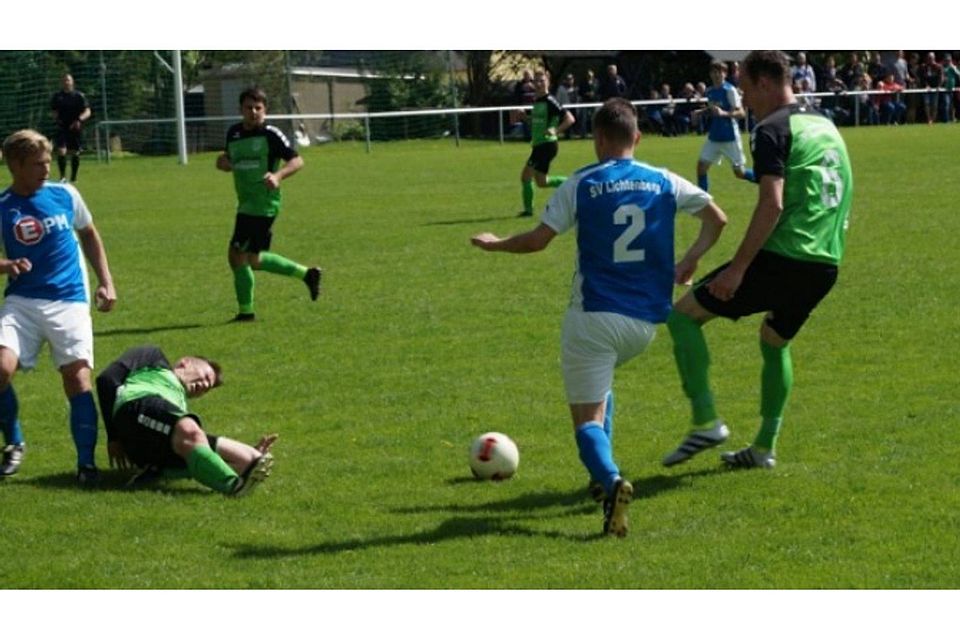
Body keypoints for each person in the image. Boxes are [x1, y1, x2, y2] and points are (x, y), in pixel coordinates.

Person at [472, 98, 728, 537]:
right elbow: (717, 219)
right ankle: (599, 477)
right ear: (638, 137)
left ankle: (610, 482)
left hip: (594, 318)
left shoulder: (582, 182)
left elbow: (538, 241)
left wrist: (495, 244)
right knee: (602, 386)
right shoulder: (664, 180)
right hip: (646, 324)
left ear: (597, 139)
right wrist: (690, 261)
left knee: (586, 420)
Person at [663, 50, 853, 470]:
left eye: (746, 88)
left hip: (786, 256)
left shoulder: (771, 128)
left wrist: (738, 269)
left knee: (682, 316)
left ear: (765, 83)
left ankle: (706, 421)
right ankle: (764, 447)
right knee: (774, 340)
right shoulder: (824, 123)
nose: (743, 98)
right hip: (826, 261)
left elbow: (772, 203)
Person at [0, 129, 116, 484]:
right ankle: (14, 443)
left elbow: (89, 234)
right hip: (22, 302)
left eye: (48, 161)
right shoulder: (2, 206)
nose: (46, 169)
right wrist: (6, 266)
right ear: (15, 165)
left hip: (69, 299)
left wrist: (106, 281)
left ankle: (86, 465)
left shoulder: (66, 194)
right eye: (38, 164)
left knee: (78, 377)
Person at [95, 345, 274, 495]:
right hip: (138, 406)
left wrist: (254, 461)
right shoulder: (153, 356)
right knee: (191, 431)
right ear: (185, 362)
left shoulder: (178, 405)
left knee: (251, 459)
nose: (204, 385)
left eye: (207, 388)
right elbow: (106, 379)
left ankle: (155, 471)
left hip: (155, 440)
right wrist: (113, 437)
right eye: (205, 377)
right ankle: (233, 486)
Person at [216, 86, 322, 322]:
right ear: (240, 109)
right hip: (245, 203)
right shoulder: (234, 133)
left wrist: (278, 176)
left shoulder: (271, 134)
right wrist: (223, 162)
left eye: (258, 108)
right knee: (252, 260)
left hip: (262, 205)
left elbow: (297, 160)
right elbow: (228, 159)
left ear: (265, 110)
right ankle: (307, 274)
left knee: (236, 255)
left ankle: (246, 313)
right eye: (248, 108)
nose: (253, 112)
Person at [516, 70, 575, 217]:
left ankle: (528, 211)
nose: (538, 83)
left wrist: (556, 130)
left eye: (542, 80)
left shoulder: (550, 101)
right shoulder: (538, 101)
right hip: (539, 145)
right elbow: (537, 123)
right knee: (542, 182)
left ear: (548, 82)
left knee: (525, 176)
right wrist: (525, 117)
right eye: (536, 81)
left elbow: (570, 118)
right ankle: (572, 185)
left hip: (546, 145)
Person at [692, 59, 755, 192]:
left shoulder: (729, 90)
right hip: (714, 136)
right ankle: (703, 201)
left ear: (725, 74)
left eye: (719, 72)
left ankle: (766, 180)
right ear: (710, 74)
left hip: (729, 137)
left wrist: (724, 113)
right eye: (714, 72)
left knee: (740, 173)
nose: (716, 75)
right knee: (701, 167)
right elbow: (713, 109)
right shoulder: (709, 91)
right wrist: (700, 112)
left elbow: (741, 112)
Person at [49, 73, 91, 183]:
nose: (66, 82)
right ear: (62, 83)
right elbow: (53, 111)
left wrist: (79, 120)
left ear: (72, 82)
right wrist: (56, 118)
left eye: (68, 80)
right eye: (64, 80)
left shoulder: (79, 96)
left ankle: (73, 177)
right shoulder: (57, 96)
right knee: (61, 151)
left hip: (75, 127)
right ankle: (62, 177)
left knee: (75, 152)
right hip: (62, 127)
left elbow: (87, 111)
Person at [918, 52, 943, 124]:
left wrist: (939, 86)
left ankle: (933, 119)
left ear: (934, 58)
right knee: (927, 104)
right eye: (928, 58)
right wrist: (926, 85)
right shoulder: (923, 67)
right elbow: (922, 78)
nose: (930, 60)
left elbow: (941, 77)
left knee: (934, 105)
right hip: (926, 89)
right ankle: (929, 119)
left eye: (931, 58)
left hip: (935, 88)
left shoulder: (939, 67)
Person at [577, 69, 599, 137]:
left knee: (594, 119)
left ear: (593, 75)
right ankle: (583, 134)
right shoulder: (582, 83)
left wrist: (594, 94)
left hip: (594, 102)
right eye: (588, 75)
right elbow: (580, 92)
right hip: (585, 102)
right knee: (584, 119)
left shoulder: (596, 82)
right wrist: (586, 94)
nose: (589, 76)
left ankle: (595, 133)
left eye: (591, 75)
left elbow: (599, 91)